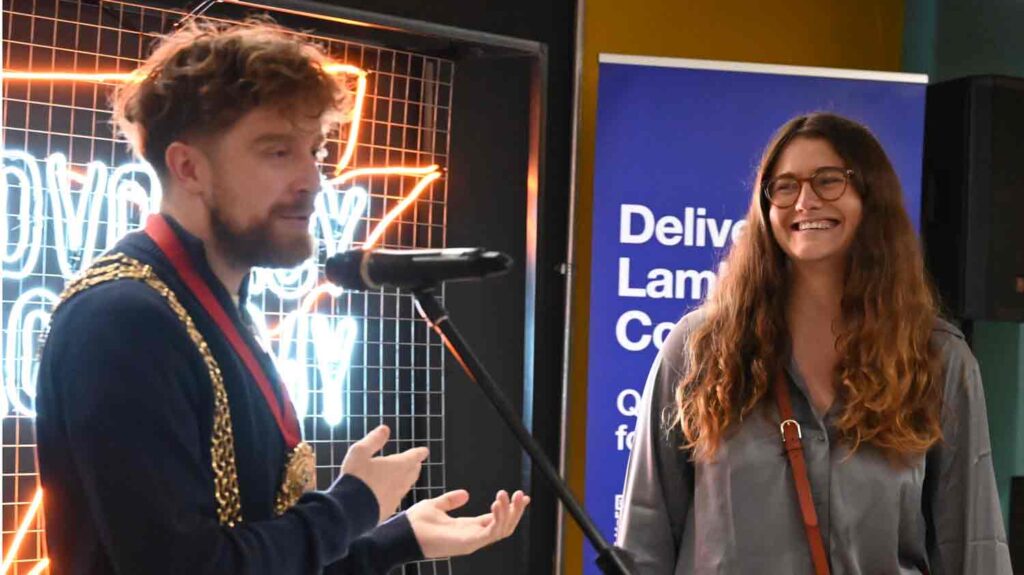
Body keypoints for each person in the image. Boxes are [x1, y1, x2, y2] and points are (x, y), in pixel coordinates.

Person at [35, 19, 529, 575]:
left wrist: (395, 538)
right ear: (189, 167)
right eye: (277, 152)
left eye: (313, 150)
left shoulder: (211, 308)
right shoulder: (122, 320)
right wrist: (354, 504)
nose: (312, 179)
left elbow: (253, 547)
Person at [616, 112, 1011, 574]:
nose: (804, 200)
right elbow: (646, 537)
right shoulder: (699, 349)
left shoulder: (937, 358)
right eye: (784, 186)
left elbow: (972, 544)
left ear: (871, 196)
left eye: (828, 181)